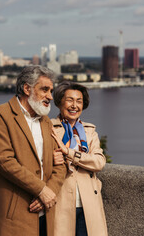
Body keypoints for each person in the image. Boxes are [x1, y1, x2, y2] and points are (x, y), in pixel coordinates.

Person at [0, 66, 67, 236]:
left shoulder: (46, 122)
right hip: (16, 216)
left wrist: (49, 192)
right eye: (45, 89)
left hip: (46, 214)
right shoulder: (1, 116)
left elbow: (60, 163)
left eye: (51, 91)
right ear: (27, 88)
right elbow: (5, 162)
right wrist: (41, 190)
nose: (50, 97)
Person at [51, 81, 108, 236]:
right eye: (70, 100)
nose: (74, 106)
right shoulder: (49, 128)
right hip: (60, 201)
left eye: (79, 101)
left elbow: (99, 162)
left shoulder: (89, 132)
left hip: (88, 203)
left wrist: (68, 153)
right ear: (59, 102)